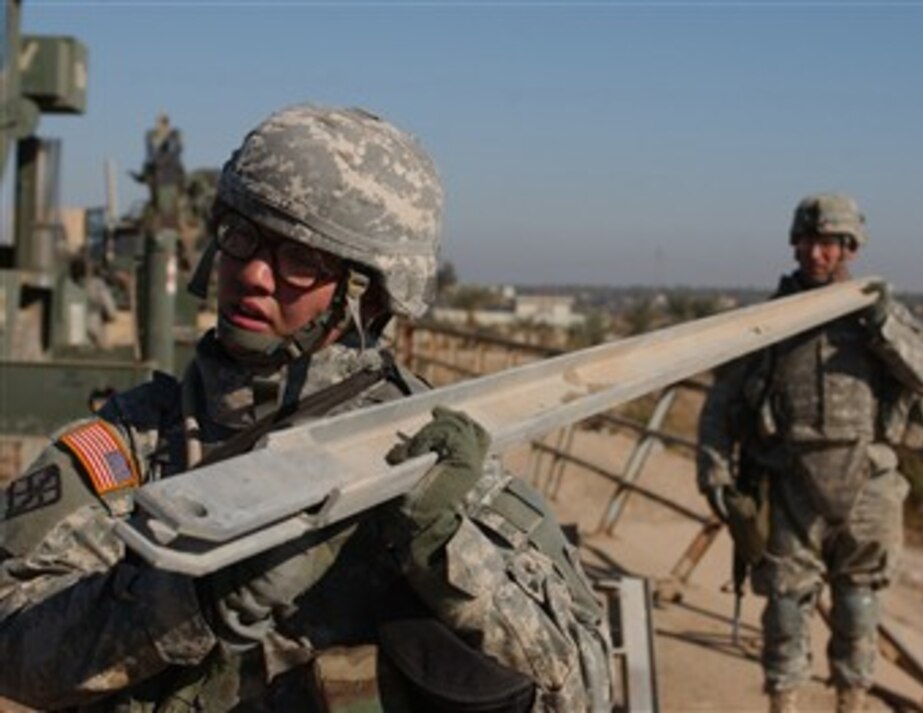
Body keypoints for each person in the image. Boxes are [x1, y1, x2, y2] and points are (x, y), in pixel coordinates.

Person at [0, 104, 611, 712]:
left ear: (368, 293)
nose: (255, 274)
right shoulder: (136, 442)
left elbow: (582, 686)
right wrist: (195, 599)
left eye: (301, 260)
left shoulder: (428, 461)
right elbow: (11, 641)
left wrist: (445, 553)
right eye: (242, 235)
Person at [696, 193, 923, 713]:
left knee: (858, 607)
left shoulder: (878, 314)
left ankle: (850, 701)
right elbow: (722, 400)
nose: (818, 254)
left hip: (869, 481)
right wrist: (715, 473)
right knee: (786, 611)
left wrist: (882, 323)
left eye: (831, 243)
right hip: (788, 482)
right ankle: (783, 702)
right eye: (810, 241)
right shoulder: (771, 319)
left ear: (850, 247)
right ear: (795, 243)